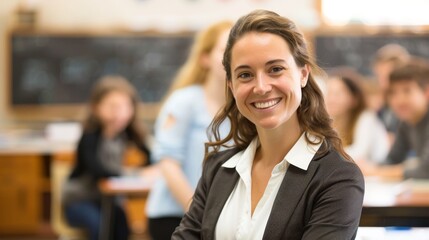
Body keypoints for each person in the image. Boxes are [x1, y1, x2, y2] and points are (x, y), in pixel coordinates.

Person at [172, 10, 364, 240]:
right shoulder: (218, 168)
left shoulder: (337, 177)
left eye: (275, 69)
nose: (261, 87)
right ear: (232, 87)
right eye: (245, 74)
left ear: (303, 74)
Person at [145, 20, 232, 240]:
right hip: (175, 217)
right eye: (225, 50)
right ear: (205, 58)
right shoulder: (184, 101)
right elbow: (168, 164)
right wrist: (199, 215)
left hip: (221, 221)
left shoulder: (245, 108)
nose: (232, 57)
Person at [62, 76, 151, 240]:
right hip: (81, 201)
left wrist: (146, 170)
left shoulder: (127, 133)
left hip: (110, 201)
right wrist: (133, 174)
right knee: (99, 225)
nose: (119, 113)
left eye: (125, 107)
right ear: (96, 108)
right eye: (113, 106)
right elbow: (97, 170)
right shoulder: (90, 135)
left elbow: (149, 157)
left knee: (122, 226)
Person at [362, 60, 429, 179]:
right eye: (393, 93)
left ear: (426, 92)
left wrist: (376, 171)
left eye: (407, 90)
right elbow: (392, 159)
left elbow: (425, 171)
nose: (399, 100)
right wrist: (367, 167)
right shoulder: (406, 122)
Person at [325, 67, 389, 164]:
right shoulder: (331, 121)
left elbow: (359, 153)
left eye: (337, 94)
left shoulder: (366, 118)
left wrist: (325, 157)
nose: (331, 99)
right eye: (329, 93)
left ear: (354, 99)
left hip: (379, 174)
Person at [372, 44, 410, 137]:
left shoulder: (410, 104)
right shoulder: (381, 106)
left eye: (387, 75)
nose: (383, 81)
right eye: (379, 75)